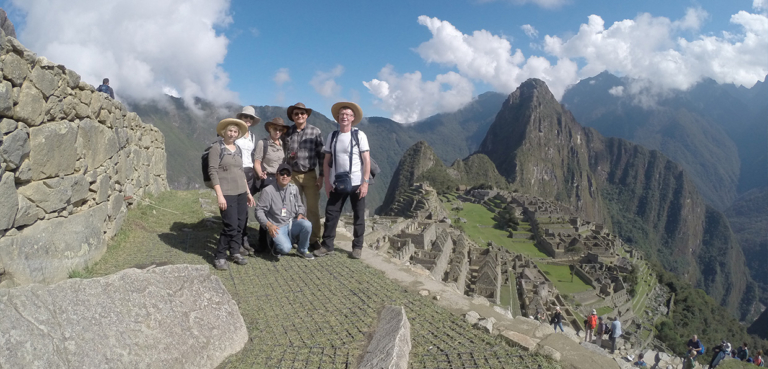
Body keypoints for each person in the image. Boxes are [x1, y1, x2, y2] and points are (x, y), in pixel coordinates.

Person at [314, 102, 370, 259]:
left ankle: (357, 247)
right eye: (341, 114)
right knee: (331, 213)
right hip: (336, 182)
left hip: (357, 182)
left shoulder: (359, 135)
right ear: (337, 118)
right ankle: (327, 245)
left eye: (347, 114)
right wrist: (326, 182)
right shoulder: (332, 136)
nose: (344, 117)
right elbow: (326, 161)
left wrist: (365, 182)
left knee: (358, 216)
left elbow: (366, 160)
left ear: (352, 118)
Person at [208, 118, 255, 270]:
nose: (232, 134)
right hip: (226, 193)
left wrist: (248, 192)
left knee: (241, 224)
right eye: (230, 131)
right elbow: (212, 171)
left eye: (235, 132)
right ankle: (220, 256)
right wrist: (219, 195)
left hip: (241, 191)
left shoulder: (238, 149)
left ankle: (235, 252)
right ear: (224, 132)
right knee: (230, 226)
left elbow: (241, 172)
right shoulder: (217, 148)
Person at [284, 102, 325, 251]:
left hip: (310, 175)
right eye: (296, 114)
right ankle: (295, 236)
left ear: (306, 115)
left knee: (313, 208)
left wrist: (321, 176)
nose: (299, 116)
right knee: (293, 208)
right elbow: (284, 154)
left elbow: (322, 155)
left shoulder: (315, 132)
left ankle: (314, 239)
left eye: (302, 113)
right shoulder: (288, 133)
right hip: (292, 175)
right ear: (293, 117)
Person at [254, 163, 314, 259]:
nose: (285, 176)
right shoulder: (268, 191)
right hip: (277, 226)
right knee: (285, 249)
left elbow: (300, 205)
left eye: (288, 174)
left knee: (307, 224)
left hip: (291, 223)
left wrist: (301, 213)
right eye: (282, 173)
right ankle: (274, 244)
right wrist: (268, 225)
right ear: (276, 175)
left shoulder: (294, 189)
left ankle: (302, 250)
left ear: (291, 177)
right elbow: (259, 211)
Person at [254, 117, 288, 252]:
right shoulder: (263, 143)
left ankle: (275, 240)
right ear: (270, 129)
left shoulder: (283, 144)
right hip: (268, 178)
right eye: (275, 129)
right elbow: (257, 162)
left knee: (279, 210)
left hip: (280, 179)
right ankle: (262, 242)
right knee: (266, 210)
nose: (278, 131)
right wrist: (260, 173)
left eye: (280, 130)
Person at [234, 106, 261, 256]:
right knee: (239, 208)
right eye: (246, 117)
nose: (248, 120)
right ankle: (238, 241)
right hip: (237, 172)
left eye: (250, 118)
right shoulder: (235, 133)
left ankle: (243, 240)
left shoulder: (252, 136)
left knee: (244, 209)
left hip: (249, 173)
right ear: (241, 118)